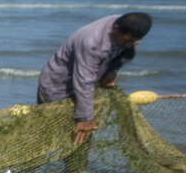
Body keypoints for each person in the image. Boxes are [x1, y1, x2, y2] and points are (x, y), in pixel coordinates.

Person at [37, 12, 152, 143]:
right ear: (116, 27)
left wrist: (112, 70)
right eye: (126, 40)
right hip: (58, 86)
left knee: (81, 140)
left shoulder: (131, 30)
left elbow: (126, 53)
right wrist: (85, 117)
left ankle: (77, 163)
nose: (129, 45)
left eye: (134, 41)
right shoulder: (92, 42)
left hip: (83, 87)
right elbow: (84, 80)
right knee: (50, 136)